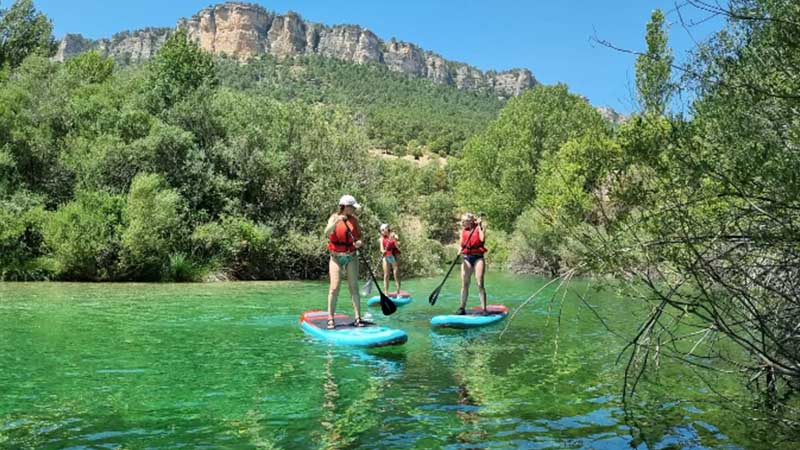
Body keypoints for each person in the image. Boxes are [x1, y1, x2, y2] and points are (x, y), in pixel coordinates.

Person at [325, 195, 369, 329]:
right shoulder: (333, 217)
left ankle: (357, 317)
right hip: (336, 257)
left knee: (353, 287)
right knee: (334, 287)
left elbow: (361, 237)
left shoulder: (354, 220)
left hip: (351, 256)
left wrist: (359, 243)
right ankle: (330, 318)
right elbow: (327, 232)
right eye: (352, 207)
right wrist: (337, 221)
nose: (354, 210)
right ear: (345, 207)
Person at [458, 212, 487, 315]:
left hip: (478, 257)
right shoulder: (463, 231)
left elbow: (482, 239)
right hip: (467, 257)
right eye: (462, 221)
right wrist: (459, 251)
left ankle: (484, 309)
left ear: (470, 221)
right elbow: (461, 244)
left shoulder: (479, 227)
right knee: (465, 283)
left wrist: (480, 226)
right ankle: (462, 308)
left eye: (464, 221)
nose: (462, 223)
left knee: (479, 283)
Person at [379, 223, 401, 294]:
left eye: (383, 230)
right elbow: (381, 249)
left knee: (396, 273)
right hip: (386, 256)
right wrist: (383, 251)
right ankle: (386, 292)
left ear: (387, 229)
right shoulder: (381, 238)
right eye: (381, 230)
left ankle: (398, 291)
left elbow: (397, 245)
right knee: (386, 274)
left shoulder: (393, 235)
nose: (382, 231)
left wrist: (395, 239)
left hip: (394, 255)